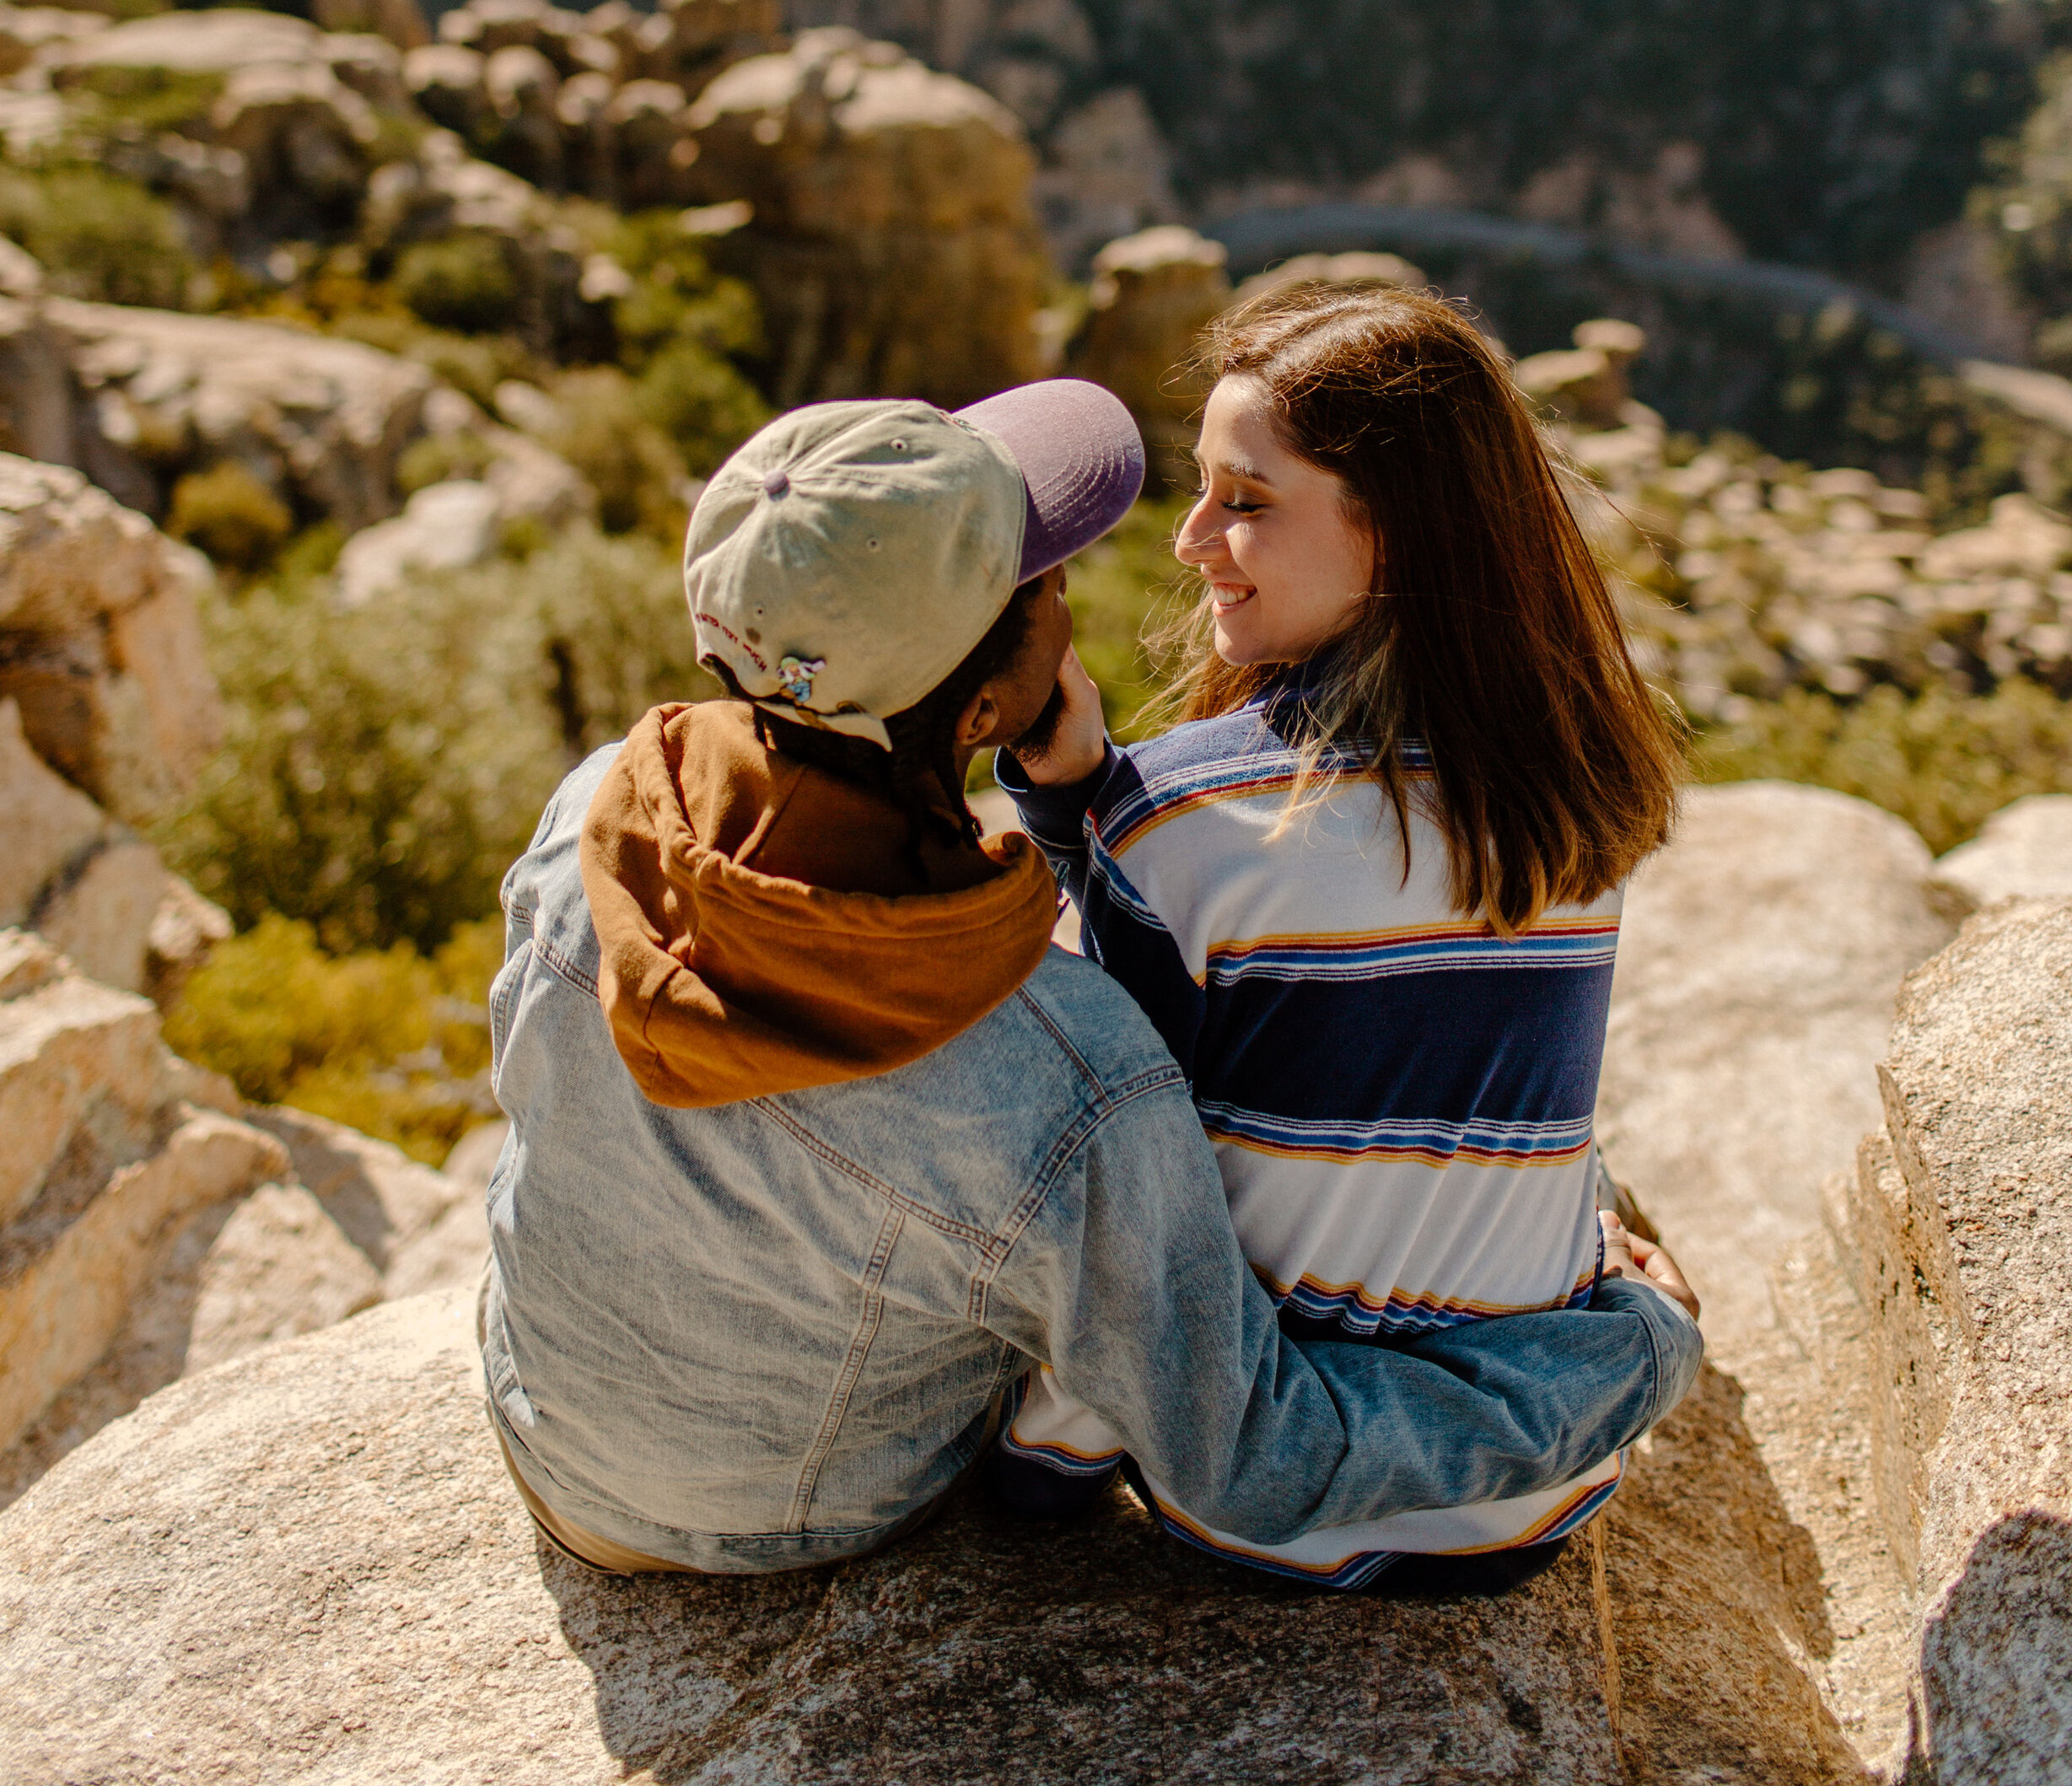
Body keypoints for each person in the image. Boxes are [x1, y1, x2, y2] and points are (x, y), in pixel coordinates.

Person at [481, 376, 1701, 1579]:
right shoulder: (1066, 1075)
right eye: (1050, 582)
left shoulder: (597, 809)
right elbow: (1257, 1452)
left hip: (541, 1421)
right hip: (795, 1512)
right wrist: (1628, 1356)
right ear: (994, 699)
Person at [996, 286, 1697, 1595]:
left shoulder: (1190, 823)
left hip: (1274, 1509)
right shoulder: (1576, 796)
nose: (1194, 540)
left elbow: (1118, 1184)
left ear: (1395, 531)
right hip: (1531, 1500)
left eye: (1246, 501)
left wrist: (1041, 1458)